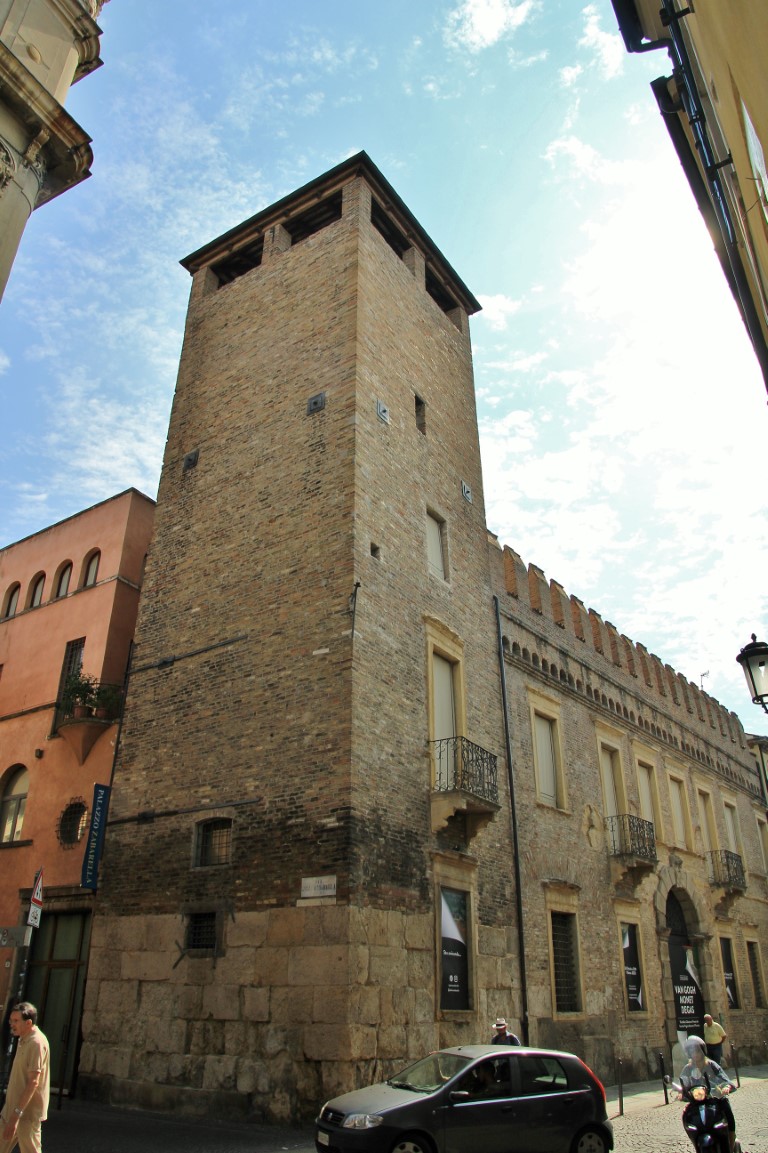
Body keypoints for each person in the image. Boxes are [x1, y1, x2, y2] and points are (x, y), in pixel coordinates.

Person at [0, 1002, 50, 1153]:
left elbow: (33, 1082)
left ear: (28, 1023)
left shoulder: (36, 1043)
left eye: (16, 1021)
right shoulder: (23, 1038)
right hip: (11, 1110)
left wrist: (15, 1117)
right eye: (11, 1021)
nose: (12, 1025)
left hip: (25, 1114)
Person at [678, 1034, 737, 1153]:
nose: (695, 1054)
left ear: (703, 1051)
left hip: (714, 1099)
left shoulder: (711, 1065)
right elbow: (682, 1081)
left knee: (726, 1107)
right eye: (692, 1052)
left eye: (697, 1051)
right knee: (686, 1114)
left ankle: (731, 1141)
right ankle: (695, 1140)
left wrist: (726, 1086)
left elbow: (724, 1078)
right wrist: (680, 1091)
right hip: (696, 1102)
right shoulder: (688, 1068)